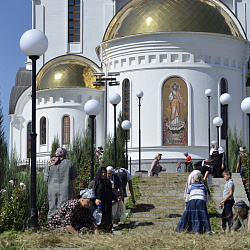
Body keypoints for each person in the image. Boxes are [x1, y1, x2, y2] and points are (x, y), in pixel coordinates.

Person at [44, 147, 77, 218]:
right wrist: (75, 193)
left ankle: (51, 224)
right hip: (66, 189)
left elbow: (46, 178)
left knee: (52, 207)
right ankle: (63, 225)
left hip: (52, 189)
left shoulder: (50, 163)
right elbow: (73, 180)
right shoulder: (69, 163)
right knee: (65, 208)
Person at [88, 166, 119, 232]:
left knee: (107, 225)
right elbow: (89, 195)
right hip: (97, 208)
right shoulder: (94, 182)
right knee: (98, 225)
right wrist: (95, 199)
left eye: (104, 172)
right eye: (102, 172)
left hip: (107, 207)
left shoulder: (108, 182)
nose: (103, 174)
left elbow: (110, 193)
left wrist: (116, 198)